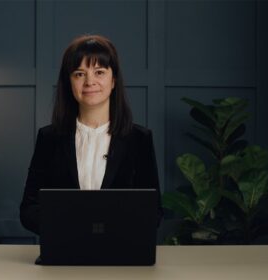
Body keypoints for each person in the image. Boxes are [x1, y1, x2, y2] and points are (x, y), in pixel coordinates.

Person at [19, 34, 162, 235]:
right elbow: (28, 210)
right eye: (79, 74)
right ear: (69, 82)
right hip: (64, 255)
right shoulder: (49, 138)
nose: (89, 81)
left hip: (121, 258)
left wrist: (105, 231)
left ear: (113, 80)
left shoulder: (140, 139)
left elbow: (153, 212)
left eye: (99, 72)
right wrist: (72, 229)